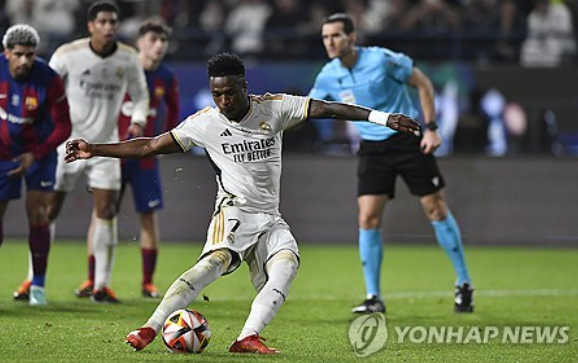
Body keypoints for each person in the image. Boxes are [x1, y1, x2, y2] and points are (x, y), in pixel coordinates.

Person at [64, 52, 419, 353]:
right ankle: (150, 327)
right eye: (217, 94)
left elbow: (328, 109)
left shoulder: (275, 108)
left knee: (288, 263)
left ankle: (247, 336)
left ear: (245, 87)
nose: (224, 101)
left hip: (270, 217)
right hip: (233, 211)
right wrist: (93, 148)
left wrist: (382, 118)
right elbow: (150, 146)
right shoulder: (205, 123)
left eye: (230, 93)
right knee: (212, 265)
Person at [309, 13, 474, 314]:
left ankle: (464, 282)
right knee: (367, 219)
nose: (329, 42)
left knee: (436, 209)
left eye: (335, 36)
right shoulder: (328, 75)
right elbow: (308, 108)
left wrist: (432, 129)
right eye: (325, 37)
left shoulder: (382, 59)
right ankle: (374, 296)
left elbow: (423, 84)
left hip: (407, 140)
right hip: (372, 149)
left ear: (352, 37)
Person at [13, 0, 149, 303]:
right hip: (66, 145)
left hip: (105, 147)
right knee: (48, 211)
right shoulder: (67, 55)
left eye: (113, 22)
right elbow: (43, 89)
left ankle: (101, 285)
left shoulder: (128, 58)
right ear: (90, 26)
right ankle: (32, 279)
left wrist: (138, 121)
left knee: (106, 211)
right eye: (102, 22)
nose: (109, 27)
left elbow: (141, 96)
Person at [0, 24, 72, 306]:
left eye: (30, 55)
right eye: (19, 54)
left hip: (39, 153)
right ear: (6, 52)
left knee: (39, 215)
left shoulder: (49, 79)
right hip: (3, 152)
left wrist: (37, 153)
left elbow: (64, 126)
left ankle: (38, 286)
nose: (24, 61)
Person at [116, 21, 179, 298]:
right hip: (115, 154)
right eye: (154, 39)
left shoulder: (166, 76)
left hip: (145, 157)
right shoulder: (122, 68)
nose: (159, 45)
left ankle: (147, 282)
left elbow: (174, 110)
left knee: (149, 218)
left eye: (163, 40)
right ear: (139, 42)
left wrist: (168, 142)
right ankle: (95, 280)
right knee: (103, 216)